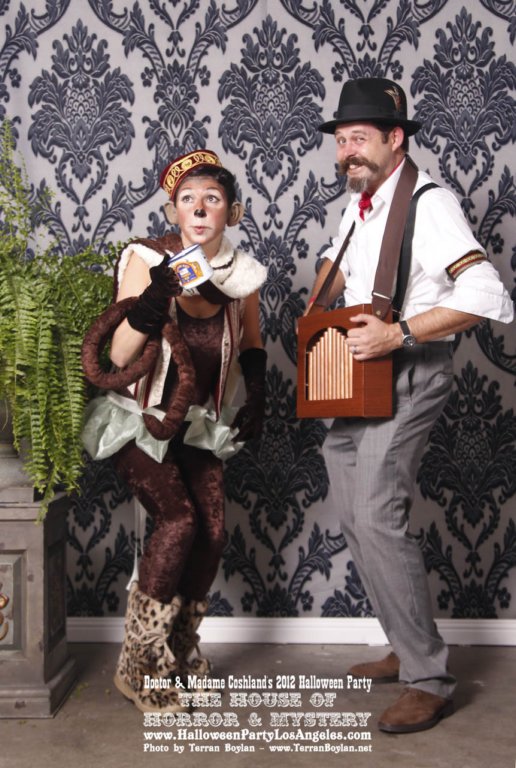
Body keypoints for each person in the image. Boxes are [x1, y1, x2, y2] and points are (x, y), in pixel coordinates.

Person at [308, 78, 513, 733]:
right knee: (351, 510)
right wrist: (321, 299)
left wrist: (397, 334)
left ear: (396, 139)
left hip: (408, 371)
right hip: (355, 373)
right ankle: (404, 642)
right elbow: (343, 264)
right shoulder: (363, 202)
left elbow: (487, 295)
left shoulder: (429, 202)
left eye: (359, 138)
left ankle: (429, 678)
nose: (347, 151)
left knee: (376, 510)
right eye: (341, 140)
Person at [81, 149, 267, 712]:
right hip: (138, 420)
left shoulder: (243, 275)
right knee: (179, 519)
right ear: (174, 211)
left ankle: (178, 654)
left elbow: (251, 342)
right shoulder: (147, 260)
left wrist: (258, 391)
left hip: (195, 425)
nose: (200, 208)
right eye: (189, 199)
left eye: (213, 198)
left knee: (212, 531)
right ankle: (139, 665)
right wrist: (154, 298)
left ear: (232, 212)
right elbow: (118, 355)